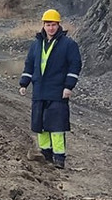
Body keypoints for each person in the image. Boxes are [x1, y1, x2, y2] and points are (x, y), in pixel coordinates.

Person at [18, 9, 82, 169]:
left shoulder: (69, 44)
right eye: (48, 25)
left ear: (58, 25)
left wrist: (68, 86)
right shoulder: (36, 44)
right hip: (39, 91)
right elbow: (29, 64)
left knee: (57, 125)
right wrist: (24, 83)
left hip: (58, 91)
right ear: (43, 25)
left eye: (53, 25)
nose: (51, 28)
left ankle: (59, 158)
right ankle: (45, 154)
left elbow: (75, 65)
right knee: (40, 125)